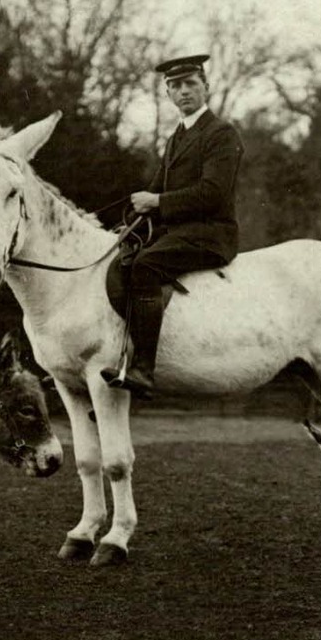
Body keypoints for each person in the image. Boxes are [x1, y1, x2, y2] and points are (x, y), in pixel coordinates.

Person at [101, 53, 243, 399]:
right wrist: (131, 217)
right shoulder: (176, 137)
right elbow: (156, 188)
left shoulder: (221, 133)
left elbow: (213, 193)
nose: (183, 92)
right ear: (168, 94)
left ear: (205, 87)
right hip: (178, 233)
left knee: (146, 265)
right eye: (175, 86)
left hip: (211, 233)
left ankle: (145, 370)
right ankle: (119, 356)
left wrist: (158, 203)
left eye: (190, 84)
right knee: (120, 263)